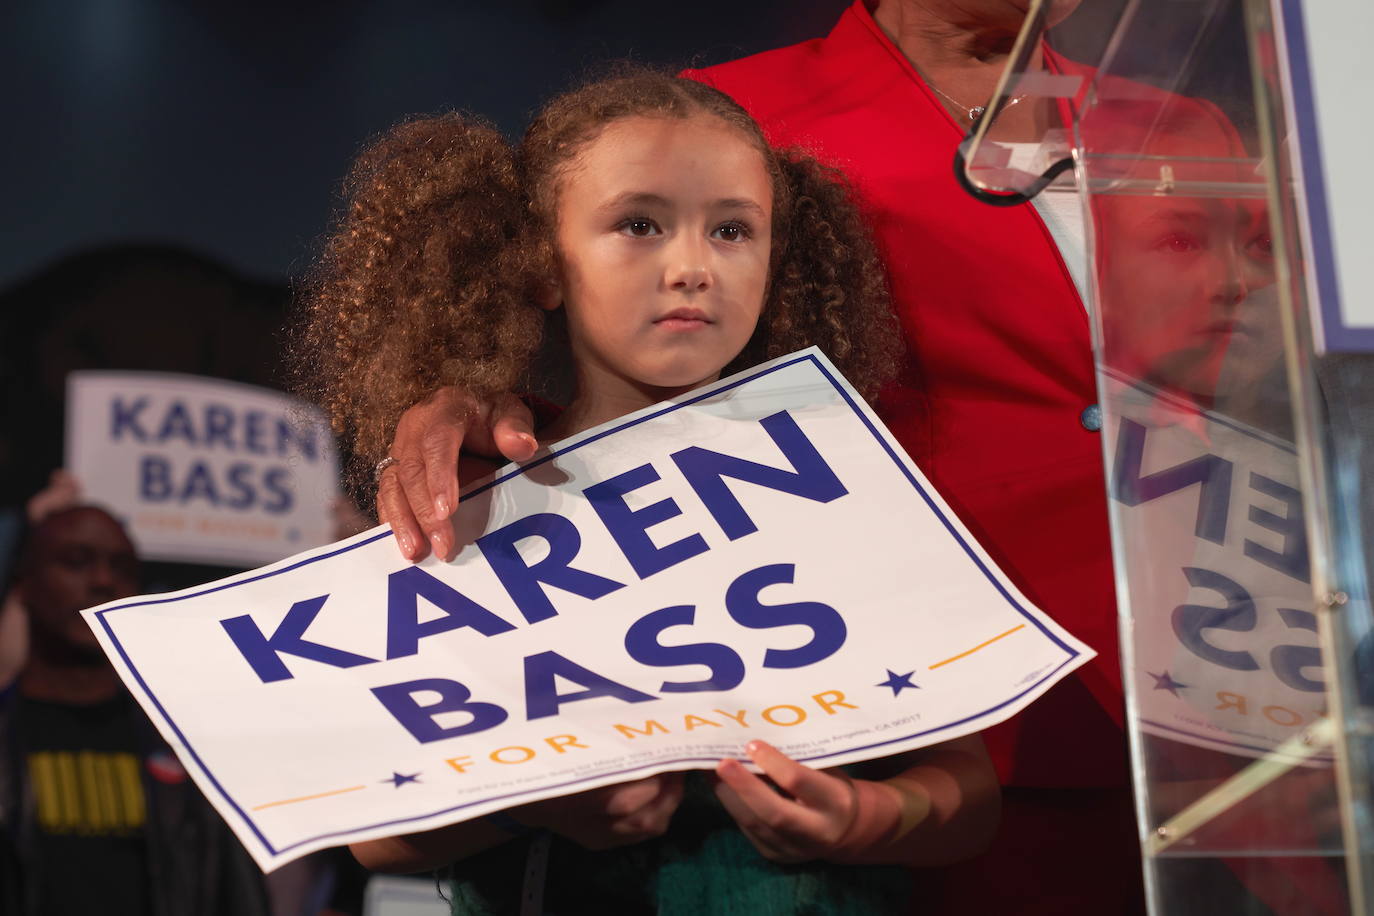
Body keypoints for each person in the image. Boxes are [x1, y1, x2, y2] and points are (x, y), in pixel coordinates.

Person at [296, 70, 999, 913]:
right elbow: (373, 834)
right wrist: (532, 805)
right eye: (639, 224)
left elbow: (972, 793)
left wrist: (865, 814)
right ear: (540, 263)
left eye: (734, 230)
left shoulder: (858, 485)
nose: (693, 267)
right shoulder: (462, 502)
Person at [0, 504, 270, 916]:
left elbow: (237, 893)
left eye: (122, 568)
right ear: (24, 583)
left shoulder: (193, 744)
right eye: (76, 561)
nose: (104, 580)